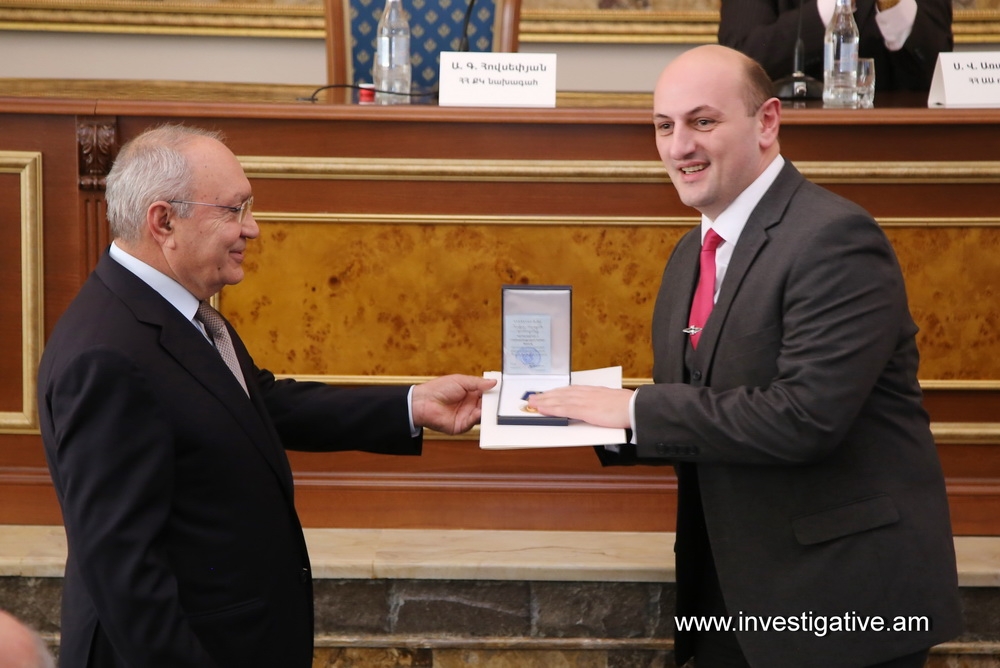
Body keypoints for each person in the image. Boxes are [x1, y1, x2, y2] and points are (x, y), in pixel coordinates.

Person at [528, 45, 962, 667]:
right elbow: (704, 413)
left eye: (703, 121)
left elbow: (804, 418)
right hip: (730, 601)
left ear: (767, 122)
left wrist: (631, 409)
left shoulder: (835, 238)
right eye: (664, 126)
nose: (679, 146)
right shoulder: (690, 254)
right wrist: (553, 411)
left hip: (841, 605)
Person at [37, 124, 496, 668]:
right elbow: (123, 573)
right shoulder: (107, 356)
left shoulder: (178, 310)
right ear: (164, 222)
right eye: (234, 210)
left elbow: (258, 403)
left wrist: (412, 405)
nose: (251, 229)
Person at [718, 0, 953, 91]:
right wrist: (836, 5)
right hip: (792, 144)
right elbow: (741, 61)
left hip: (902, 145)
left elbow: (939, 72)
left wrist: (893, 6)